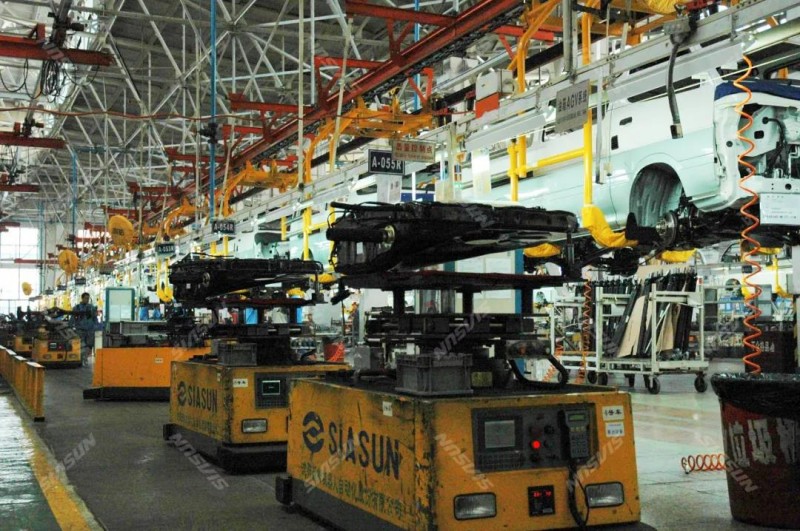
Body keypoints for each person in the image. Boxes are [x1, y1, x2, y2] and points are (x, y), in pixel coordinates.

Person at [71, 292, 97, 366]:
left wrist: (96, 326)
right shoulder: (76, 308)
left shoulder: (92, 308)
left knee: (89, 345)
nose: (87, 300)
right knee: (81, 345)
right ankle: (83, 359)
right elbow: (72, 318)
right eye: (86, 298)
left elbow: (95, 318)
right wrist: (70, 327)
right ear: (82, 298)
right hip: (80, 330)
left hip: (90, 330)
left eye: (88, 298)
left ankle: (85, 357)